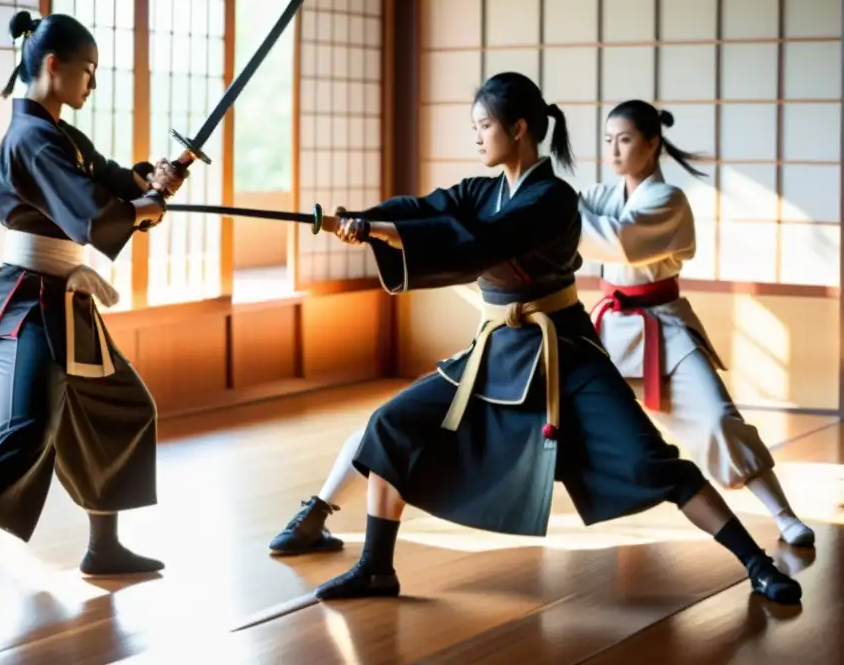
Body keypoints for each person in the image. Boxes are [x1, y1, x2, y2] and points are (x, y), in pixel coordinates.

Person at [297, 72, 802, 605]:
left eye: (484, 126)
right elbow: (426, 208)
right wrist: (362, 220)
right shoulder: (481, 191)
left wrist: (385, 233)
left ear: (518, 129)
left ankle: (757, 562)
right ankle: (377, 568)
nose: (476, 137)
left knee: (648, 460)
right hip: (496, 350)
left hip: (565, 350)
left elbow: (482, 243)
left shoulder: (554, 199)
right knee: (392, 424)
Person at [0, 10, 186, 607]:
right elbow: (94, 212)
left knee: (123, 406)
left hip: (65, 301)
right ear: (54, 66)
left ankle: (105, 545)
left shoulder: (61, 135)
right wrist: (143, 209)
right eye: (89, 71)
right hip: (27, 300)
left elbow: (107, 181)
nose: (93, 84)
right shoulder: (31, 137)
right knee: (21, 429)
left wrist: (151, 180)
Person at [581, 100, 814, 548]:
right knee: (562, 417)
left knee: (718, 418)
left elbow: (623, 244)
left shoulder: (667, 199)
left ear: (652, 144)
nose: (614, 149)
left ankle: (783, 515)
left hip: (662, 328)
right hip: (608, 332)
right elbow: (561, 212)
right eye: (608, 139)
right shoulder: (602, 196)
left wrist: (567, 218)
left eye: (625, 139)